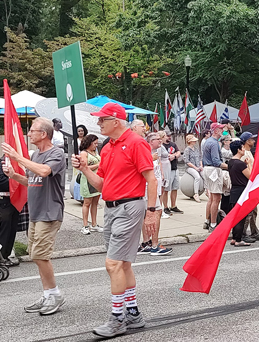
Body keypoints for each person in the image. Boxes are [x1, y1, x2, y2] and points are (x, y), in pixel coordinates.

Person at [72, 103, 157, 337]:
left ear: (116, 121)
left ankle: (118, 318)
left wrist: (151, 211)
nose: (98, 124)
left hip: (129, 207)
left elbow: (151, 179)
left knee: (113, 264)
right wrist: (84, 169)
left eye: (102, 120)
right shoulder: (108, 148)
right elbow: (101, 184)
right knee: (123, 264)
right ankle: (132, 313)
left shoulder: (136, 143)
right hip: (111, 208)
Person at [2, 117, 66, 315]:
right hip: (36, 212)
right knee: (35, 255)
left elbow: (45, 171)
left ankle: (55, 294)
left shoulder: (57, 153)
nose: (29, 134)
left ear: (44, 134)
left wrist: (18, 157)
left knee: (40, 255)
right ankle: (47, 294)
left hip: (50, 212)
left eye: (32, 130)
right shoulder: (36, 155)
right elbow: (32, 181)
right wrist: (13, 175)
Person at [137, 132, 172, 255]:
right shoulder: (146, 153)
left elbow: (158, 166)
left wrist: (162, 176)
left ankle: (146, 242)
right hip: (148, 188)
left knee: (148, 214)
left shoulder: (154, 153)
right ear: (151, 141)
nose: (160, 141)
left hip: (154, 186)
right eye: (158, 139)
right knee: (155, 212)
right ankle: (154, 245)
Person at [0, 156, 20, 266]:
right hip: (3, 199)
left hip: (14, 199)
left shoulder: (17, 163)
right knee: (5, 229)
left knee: (12, 229)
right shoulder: (0, 163)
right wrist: (16, 182)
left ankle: (5, 256)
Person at [240, 131, 259, 242]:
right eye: (252, 139)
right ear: (247, 141)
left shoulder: (249, 152)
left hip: (253, 185)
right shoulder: (244, 154)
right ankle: (243, 233)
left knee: (254, 210)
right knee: (249, 211)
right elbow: (246, 171)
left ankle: (254, 231)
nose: (254, 141)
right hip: (247, 185)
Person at [202, 123, 228, 231]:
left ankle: (207, 221)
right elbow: (216, 161)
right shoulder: (213, 143)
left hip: (207, 169)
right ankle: (213, 224)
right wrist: (229, 166)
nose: (223, 130)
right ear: (216, 130)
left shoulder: (208, 141)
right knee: (216, 198)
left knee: (211, 198)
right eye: (221, 129)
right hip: (213, 170)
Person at [228, 140, 252, 246]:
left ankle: (234, 237)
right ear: (238, 150)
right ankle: (238, 239)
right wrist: (249, 165)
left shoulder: (231, 162)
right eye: (242, 148)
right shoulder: (240, 164)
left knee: (235, 216)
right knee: (241, 216)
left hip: (234, 190)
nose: (244, 150)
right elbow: (251, 176)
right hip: (241, 190)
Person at [79, 134, 103, 235]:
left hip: (96, 178)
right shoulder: (84, 153)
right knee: (87, 203)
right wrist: (98, 165)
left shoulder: (95, 152)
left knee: (95, 203)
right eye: (94, 143)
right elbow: (84, 167)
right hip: (87, 180)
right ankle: (85, 225)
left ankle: (94, 224)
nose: (96, 145)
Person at [163, 132, 183, 214]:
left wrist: (174, 155)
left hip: (175, 168)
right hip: (167, 169)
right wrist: (171, 155)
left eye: (170, 135)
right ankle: (165, 207)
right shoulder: (162, 146)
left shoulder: (173, 144)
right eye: (167, 136)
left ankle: (173, 205)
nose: (169, 137)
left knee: (175, 188)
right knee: (166, 189)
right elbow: (164, 155)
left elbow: (178, 153)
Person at [183, 134, 203, 203]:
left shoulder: (196, 149)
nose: (195, 142)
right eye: (193, 141)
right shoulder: (187, 150)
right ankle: (196, 193)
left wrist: (201, 166)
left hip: (198, 166)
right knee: (197, 177)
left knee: (204, 175)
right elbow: (187, 161)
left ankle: (208, 191)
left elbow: (200, 158)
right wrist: (195, 168)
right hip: (190, 167)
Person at [158, 131, 172, 218]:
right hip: (163, 167)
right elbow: (159, 160)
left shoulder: (162, 146)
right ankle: (160, 209)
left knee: (163, 190)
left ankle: (162, 208)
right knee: (161, 190)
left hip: (167, 166)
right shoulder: (160, 147)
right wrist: (162, 173)